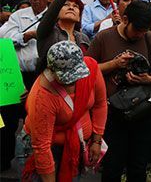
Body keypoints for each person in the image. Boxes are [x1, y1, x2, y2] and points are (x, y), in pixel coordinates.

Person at [85, 0, 151, 182]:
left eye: (145, 30)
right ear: (125, 19)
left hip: (145, 113)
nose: (140, 34)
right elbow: (86, 70)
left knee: (138, 167)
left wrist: (149, 79)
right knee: (112, 166)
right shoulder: (103, 38)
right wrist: (113, 65)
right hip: (112, 114)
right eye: (137, 30)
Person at [20, 41, 107, 181]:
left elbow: (100, 104)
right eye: (67, 77)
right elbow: (42, 147)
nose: (73, 81)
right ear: (51, 70)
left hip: (75, 146)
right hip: (45, 148)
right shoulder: (42, 97)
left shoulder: (90, 69)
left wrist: (97, 140)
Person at [0, 0, 53, 172]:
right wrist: (27, 36)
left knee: (38, 122)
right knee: (6, 120)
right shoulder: (18, 16)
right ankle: (4, 159)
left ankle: (37, 163)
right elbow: (4, 39)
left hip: (41, 78)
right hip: (15, 75)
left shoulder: (54, 16)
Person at [36, 0, 90, 74]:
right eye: (66, 5)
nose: (71, 7)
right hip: (50, 86)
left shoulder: (83, 38)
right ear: (57, 12)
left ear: (79, 16)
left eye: (76, 6)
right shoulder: (47, 32)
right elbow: (53, 9)